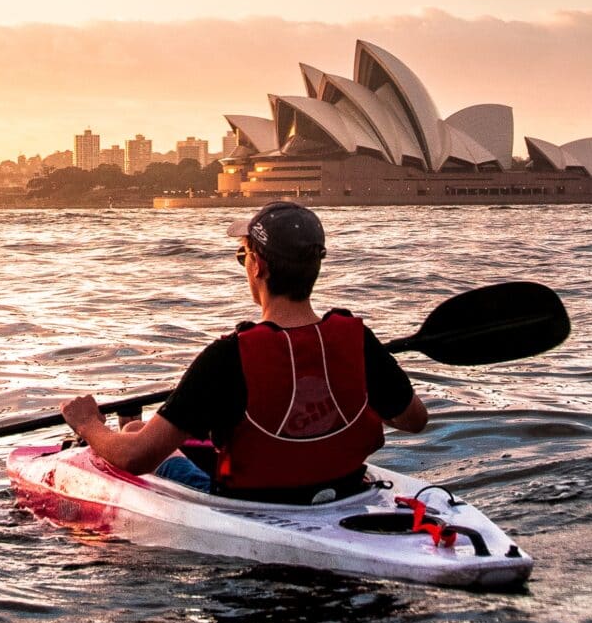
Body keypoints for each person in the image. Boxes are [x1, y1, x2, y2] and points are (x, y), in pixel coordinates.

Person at [59, 202, 428, 504]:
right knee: (145, 431)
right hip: (344, 491)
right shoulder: (358, 339)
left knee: (137, 435)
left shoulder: (227, 356)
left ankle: (123, 427)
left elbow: (135, 458)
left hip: (249, 502)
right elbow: (415, 420)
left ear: (258, 266)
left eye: (243, 255)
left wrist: (88, 423)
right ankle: (131, 427)